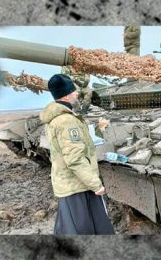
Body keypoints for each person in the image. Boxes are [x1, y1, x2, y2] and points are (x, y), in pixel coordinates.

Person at [41, 73, 114, 236]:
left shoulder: (55, 118)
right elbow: (74, 159)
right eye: (73, 91)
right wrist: (96, 184)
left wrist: (97, 130)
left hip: (70, 184)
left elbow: (70, 147)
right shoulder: (67, 121)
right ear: (66, 94)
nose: (76, 94)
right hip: (77, 187)